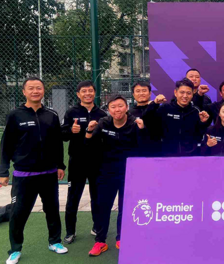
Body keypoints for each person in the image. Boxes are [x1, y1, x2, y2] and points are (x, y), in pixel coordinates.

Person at [0, 77, 68, 264]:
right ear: (24, 92)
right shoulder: (15, 115)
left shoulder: (52, 115)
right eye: (31, 88)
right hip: (23, 175)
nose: (35, 91)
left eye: (38, 88)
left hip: (48, 173)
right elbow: (5, 145)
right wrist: (3, 171)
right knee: (18, 213)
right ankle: (15, 249)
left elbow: (57, 143)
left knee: (52, 210)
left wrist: (60, 166)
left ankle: (54, 241)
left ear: (43, 91)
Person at [86, 95, 146, 256]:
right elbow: (91, 147)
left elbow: (143, 148)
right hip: (107, 172)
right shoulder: (103, 123)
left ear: (126, 107)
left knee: (125, 208)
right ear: (108, 110)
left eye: (120, 106)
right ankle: (100, 241)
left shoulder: (135, 123)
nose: (117, 110)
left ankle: (121, 238)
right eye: (113, 107)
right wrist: (89, 131)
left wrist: (142, 130)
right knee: (103, 207)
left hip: (129, 173)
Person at [61, 81, 107, 244]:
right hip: (77, 162)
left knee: (97, 196)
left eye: (90, 91)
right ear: (78, 94)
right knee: (73, 197)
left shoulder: (102, 113)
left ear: (94, 93)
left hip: (96, 162)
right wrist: (70, 131)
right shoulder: (71, 112)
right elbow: (63, 135)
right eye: (84, 91)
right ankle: (70, 231)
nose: (87, 93)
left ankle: (96, 227)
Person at [148, 78, 210, 157]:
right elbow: (148, 121)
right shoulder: (165, 108)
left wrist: (203, 123)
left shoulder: (196, 111)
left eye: (188, 93)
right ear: (175, 92)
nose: (185, 96)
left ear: (192, 95)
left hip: (190, 157)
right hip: (167, 156)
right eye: (182, 92)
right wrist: (154, 104)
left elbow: (199, 135)